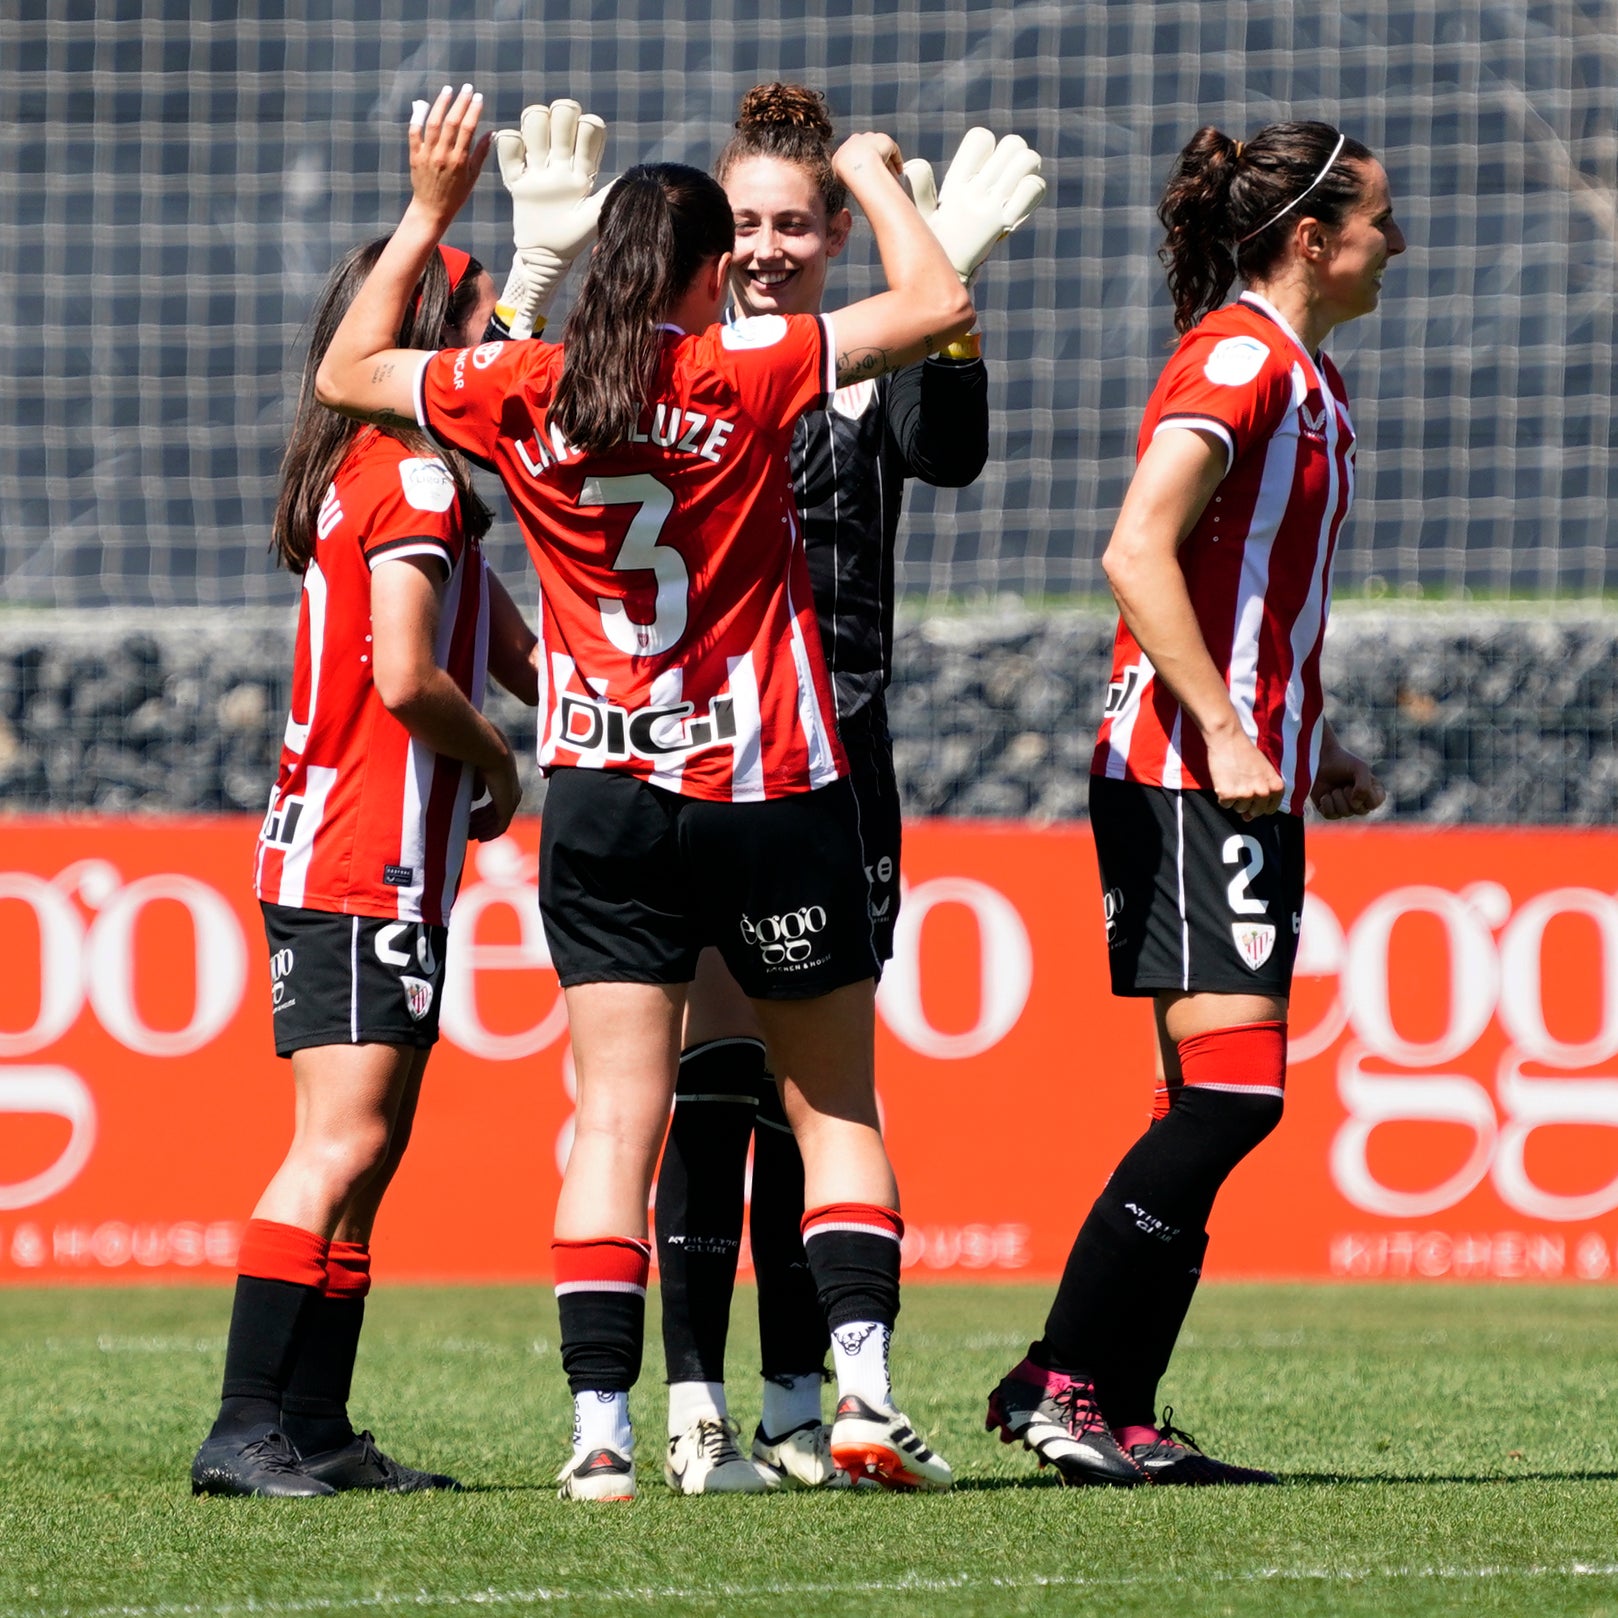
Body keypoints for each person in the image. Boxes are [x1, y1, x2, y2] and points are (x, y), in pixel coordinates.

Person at [312, 85, 976, 1501]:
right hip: (766, 785)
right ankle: (857, 1395)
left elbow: (350, 370)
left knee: (615, 1118)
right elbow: (931, 299)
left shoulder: (520, 390)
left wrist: (440, 215)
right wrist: (865, 172)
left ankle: (602, 1433)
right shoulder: (739, 370)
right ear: (694, 276)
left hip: (603, 800)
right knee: (832, 1106)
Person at [986, 120, 1403, 1487]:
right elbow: (1133, 546)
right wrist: (1225, 727)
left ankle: (1111, 1402)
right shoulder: (1237, 358)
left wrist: (1307, 736)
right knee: (1230, 1098)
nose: (1391, 244)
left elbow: (1258, 594)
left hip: (1237, 770)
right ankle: (1062, 1382)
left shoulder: (1303, 373)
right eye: (1375, 221)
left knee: (1215, 1098)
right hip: (1182, 774)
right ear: (1308, 239)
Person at [651, 83, 1045, 1496]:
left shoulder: (863, 357)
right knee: (709, 1079)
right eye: (742, 222)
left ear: (831, 236)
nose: (763, 248)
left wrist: (948, 289)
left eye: (790, 226)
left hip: (840, 757)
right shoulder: (670, 360)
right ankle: (691, 1403)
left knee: (802, 1102)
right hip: (694, 753)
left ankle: (795, 1402)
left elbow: (952, 453)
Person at [190, 236, 538, 1498]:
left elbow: (492, 633)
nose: (503, 344)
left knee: (368, 1146)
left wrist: (580, 697)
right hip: (359, 862)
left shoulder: (379, 472)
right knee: (338, 1146)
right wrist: (501, 767)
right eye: (486, 320)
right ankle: (245, 1429)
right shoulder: (417, 486)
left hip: (357, 863)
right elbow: (407, 674)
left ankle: (318, 1427)